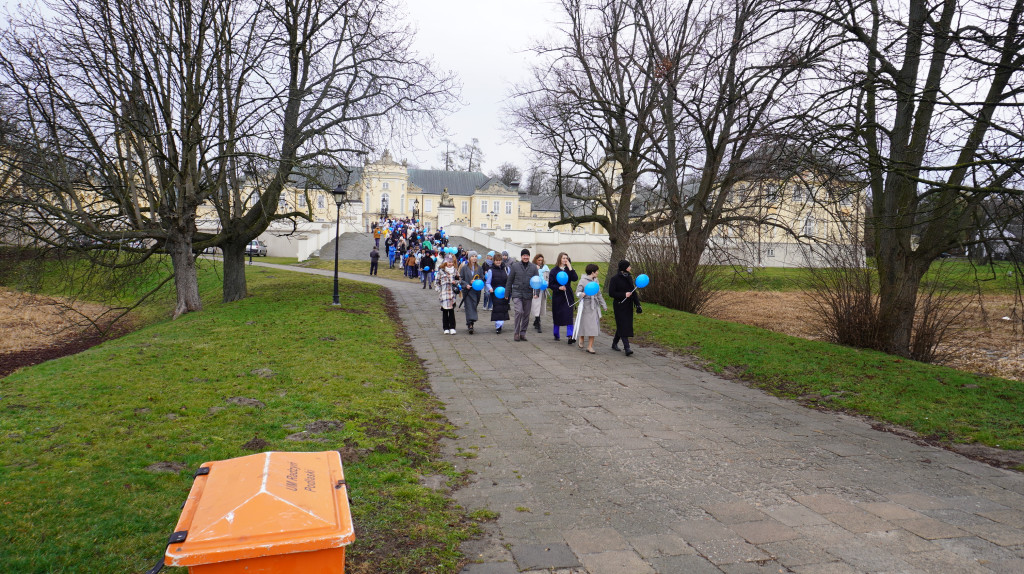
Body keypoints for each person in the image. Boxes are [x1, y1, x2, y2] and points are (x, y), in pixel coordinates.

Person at [505, 248, 540, 342]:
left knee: (526, 315)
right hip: (517, 293)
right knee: (519, 311)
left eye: (527, 255)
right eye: (524, 255)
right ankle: (516, 333)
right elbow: (510, 280)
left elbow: (537, 281)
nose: (526, 257)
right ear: (521, 256)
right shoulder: (515, 266)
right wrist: (507, 293)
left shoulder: (533, 267)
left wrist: (536, 293)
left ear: (529, 256)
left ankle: (523, 333)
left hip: (528, 294)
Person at [609, 260, 641, 356]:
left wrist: (638, 304)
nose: (630, 267)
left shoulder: (629, 278)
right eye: (629, 266)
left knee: (623, 325)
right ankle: (627, 347)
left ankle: (614, 343)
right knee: (623, 324)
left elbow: (633, 291)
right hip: (619, 305)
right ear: (624, 267)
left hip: (628, 305)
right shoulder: (615, 279)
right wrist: (623, 294)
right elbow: (611, 293)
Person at [574, 264, 607, 354]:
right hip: (585, 305)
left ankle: (590, 346)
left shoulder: (596, 281)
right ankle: (581, 337)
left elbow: (599, 294)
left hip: (594, 306)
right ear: (592, 272)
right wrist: (581, 294)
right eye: (597, 271)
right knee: (584, 323)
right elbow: (577, 292)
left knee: (593, 326)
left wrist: (603, 305)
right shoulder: (583, 280)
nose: (598, 272)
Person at [549, 252, 579, 343]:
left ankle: (570, 335)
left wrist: (570, 267)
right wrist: (558, 287)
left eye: (566, 258)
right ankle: (556, 333)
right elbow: (550, 284)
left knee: (569, 314)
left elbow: (575, 278)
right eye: (563, 258)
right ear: (559, 259)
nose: (565, 260)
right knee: (557, 314)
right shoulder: (554, 271)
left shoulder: (568, 270)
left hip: (568, 295)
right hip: (558, 295)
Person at [459, 251, 483, 334]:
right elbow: (460, 279)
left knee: (474, 306)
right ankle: (470, 324)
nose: (474, 258)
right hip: (468, 291)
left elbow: (482, 278)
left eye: (475, 256)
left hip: (476, 291)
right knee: (469, 307)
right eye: (472, 256)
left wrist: (477, 281)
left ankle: (471, 322)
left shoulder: (479, 268)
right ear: (469, 258)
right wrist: (466, 285)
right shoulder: (464, 268)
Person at [486, 252, 510, 334]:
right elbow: (488, 282)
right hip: (495, 292)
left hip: (504, 292)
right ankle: (498, 325)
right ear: (494, 261)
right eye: (496, 260)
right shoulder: (491, 270)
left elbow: (509, 280)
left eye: (499, 260)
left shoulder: (506, 269)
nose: (498, 262)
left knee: (503, 308)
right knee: (497, 308)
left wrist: (509, 289)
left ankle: (500, 324)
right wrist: (490, 289)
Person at [435, 255, 459, 335]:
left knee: (451, 311)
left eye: (451, 262)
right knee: (445, 311)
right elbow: (436, 282)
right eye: (449, 262)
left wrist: (455, 282)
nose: (450, 264)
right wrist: (439, 290)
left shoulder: (455, 271)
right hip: (444, 294)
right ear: (445, 262)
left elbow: (459, 280)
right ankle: (445, 328)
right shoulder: (441, 271)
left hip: (452, 294)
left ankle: (452, 327)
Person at [530, 254, 549, 333]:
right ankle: (538, 322)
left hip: (543, 288)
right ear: (535, 260)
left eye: (541, 260)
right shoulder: (532, 267)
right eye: (539, 260)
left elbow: (548, 277)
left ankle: (536, 320)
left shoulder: (545, 268)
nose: (540, 262)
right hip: (535, 288)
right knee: (536, 305)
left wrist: (547, 283)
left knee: (541, 305)